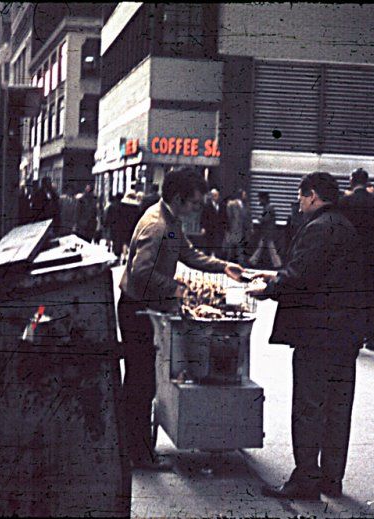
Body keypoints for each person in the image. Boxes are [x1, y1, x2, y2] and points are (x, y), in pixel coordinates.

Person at [117, 168, 244, 468]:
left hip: (145, 307)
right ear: (178, 198)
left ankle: (133, 449)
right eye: (195, 203)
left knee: (143, 382)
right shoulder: (157, 226)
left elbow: (189, 254)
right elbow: (141, 272)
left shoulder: (171, 220)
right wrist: (176, 288)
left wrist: (223, 266)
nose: (197, 209)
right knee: (140, 384)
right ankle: (137, 455)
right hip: (136, 310)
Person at [248, 172, 363, 500]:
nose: (299, 204)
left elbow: (300, 277)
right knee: (339, 407)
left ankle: (305, 479)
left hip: (317, 334)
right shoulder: (344, 225)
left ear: (313, 195)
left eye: (301, 197)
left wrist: (267, 288)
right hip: (346, 332)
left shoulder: (317, 228)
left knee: (309, 406)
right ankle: (331, 478)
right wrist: (275, 275)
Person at [339, 168, 374, 350]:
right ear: (367, 181)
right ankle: (373, 337)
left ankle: (355, 335)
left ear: (352, 181)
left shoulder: (345, 202)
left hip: (351, 259)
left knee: (353, 297)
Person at [249, 192, 283, 268]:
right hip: (268, 232)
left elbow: (265, 219)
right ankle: (277, 263)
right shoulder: (268, 207)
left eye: (260, 199)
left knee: (269, 248)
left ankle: (277, 264)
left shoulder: (268, 208)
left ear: (264, 199)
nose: (259, 201)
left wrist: (259, 218)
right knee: (266, 248)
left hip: (268, 232)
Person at [223, 189, 251, 264]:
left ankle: (240, 262)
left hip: (242, 229)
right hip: (233, 228)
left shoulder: (245, 204)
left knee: (240, 246)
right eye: (244, 194)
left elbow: (247, 216)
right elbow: (228, 216)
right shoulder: (232, 204)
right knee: (231, 247)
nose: (245, 196)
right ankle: (228, 261)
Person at [200, 188, 227, 257]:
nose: (215, 197)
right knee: (208, 247)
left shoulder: (222, 206)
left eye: (216, 195)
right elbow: (203, 217)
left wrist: (226, 228)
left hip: (219, 230)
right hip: (209, 230)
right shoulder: (207, 206)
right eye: (214, 195)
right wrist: (202, 227)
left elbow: (225, 218)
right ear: (211, 196)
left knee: (218, 247)